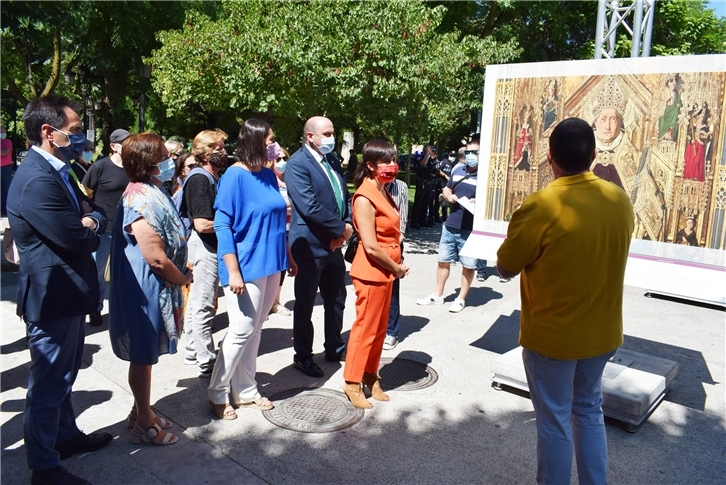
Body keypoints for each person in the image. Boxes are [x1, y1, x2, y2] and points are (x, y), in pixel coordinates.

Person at [496, 118, 634, 485]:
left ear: (549, 157)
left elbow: (506, 266)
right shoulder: (618, 199)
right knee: (589, 411)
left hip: (553, 337)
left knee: (554, 419)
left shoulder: (542, 205)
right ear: (593, 155)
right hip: (601, 334)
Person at [7, 95, 111, 485]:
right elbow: (75, 237)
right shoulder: (36, 178)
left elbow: (89, 210)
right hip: (52, 295)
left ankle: (64, 438)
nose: (81, 138)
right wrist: (92, 224)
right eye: (75, 131)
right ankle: (44, 467)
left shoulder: (57, 169)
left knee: (64, 375)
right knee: (49, 382)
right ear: (48, 132)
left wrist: (91, 220)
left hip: (66, 291)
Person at [207, 119, 296, 419]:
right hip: (245, 264)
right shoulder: (234, 175)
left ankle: (245, 389)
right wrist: (233, 271)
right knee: (242, 328)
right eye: (270, 139)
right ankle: (217, 391)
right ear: (256, 141)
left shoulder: (269, 175)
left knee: (255, 330)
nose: (275, 144)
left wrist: (288, 257)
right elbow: (222, 224)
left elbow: (276, 219)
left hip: (272, 262)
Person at [109, 132, 191, 447]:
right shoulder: (138, 199)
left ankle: (139, 410)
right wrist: (182, 278)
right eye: (163, 155)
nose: (169, 159)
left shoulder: (151, 188)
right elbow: (155, 258)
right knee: (142, 356)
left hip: (155, 287)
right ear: (149, 163)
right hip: (145, 290)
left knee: (145, 357)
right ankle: (144, 422)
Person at [343, 140, 409, 408]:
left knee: (379, 330)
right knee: (365, 330)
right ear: (370, 165)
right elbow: (370, 245)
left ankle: (370, 375)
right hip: (372, 271)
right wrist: (397, 268)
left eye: (394, 159)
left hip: (386, 272)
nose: (392, 165)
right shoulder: (364, 196)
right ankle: (351, 381)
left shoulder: (384, 190)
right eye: (386, 161)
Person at [286, 116, 352, 378]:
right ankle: (303, 356)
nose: (331, 137)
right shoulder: (297, 164)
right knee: (305, 304)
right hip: (309, 246)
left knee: (336, 298)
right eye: (326, 133)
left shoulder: (332, 160)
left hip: (334, 244)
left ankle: (334, 347)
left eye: (332, 132)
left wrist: (345, 225)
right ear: (310, 136)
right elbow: (309, 206)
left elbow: (342, 196)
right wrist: (341, 229)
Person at [417, 137, 481, 313]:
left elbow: (492, 200)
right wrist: (448, 195)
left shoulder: (486, 176)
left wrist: (479, 200)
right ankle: (438, 295)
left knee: (468, 265)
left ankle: (461, 298)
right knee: (443, 261)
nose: (470, 156)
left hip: (470, 228)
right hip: (451, 224)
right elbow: (447, 188)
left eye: (474, 153)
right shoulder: (458, 170)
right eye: (467, 152)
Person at [183, 129, 228, 377]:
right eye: (218, 148)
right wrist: (233, 224)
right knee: (204, 304)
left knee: (199, 302)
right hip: (205, 245)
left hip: (207, 245)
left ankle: (193, 349)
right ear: (205, 152)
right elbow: (201, 223)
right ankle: (206, 360)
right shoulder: (200, 179)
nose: (223, 152)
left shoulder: (210, 176)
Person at [82, 128, 131, 326]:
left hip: (126, 228)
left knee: (124, 272)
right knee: (98, 271)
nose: (128, 146)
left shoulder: (132, 167)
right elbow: (87, 192)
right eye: (124, 142)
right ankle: (96, 307)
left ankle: (123, 309)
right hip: (104, 229)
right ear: (113, 146)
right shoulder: (100, 166)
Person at [382, 176, 409, 351]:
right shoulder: (369, 183)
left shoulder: (401, 187)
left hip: (393, 243)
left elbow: (403, 216)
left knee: (392, 288)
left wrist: (398, 239)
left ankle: (391, 331)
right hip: (373, 241)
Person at [267, 146, 293, 317]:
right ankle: (266, 303)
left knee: (283, 268)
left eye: (284, 158)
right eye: (278, 159)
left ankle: (275, 302)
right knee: (271, 268)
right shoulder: (268, 180)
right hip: (274, 230)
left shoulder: (290, 180)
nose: (281, 163)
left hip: (290, 229)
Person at [410, 145, 438, 229]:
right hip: (421, 182)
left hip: (429, 183)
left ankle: (423, 220)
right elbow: (423, 163)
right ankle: (414, 221)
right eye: (429, 150)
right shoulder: (420, 157)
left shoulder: (431, 160)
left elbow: (434, 169)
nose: (431, 151)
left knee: (426, 203)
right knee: (418, 202)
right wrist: (427, 155)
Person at [1, 124, 14, 216]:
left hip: (6, 168)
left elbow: (5, 152)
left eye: (4, 132)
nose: (3, 134)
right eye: (1, 132)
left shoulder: (8, 142)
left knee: (6, 189)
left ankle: (5, 208)